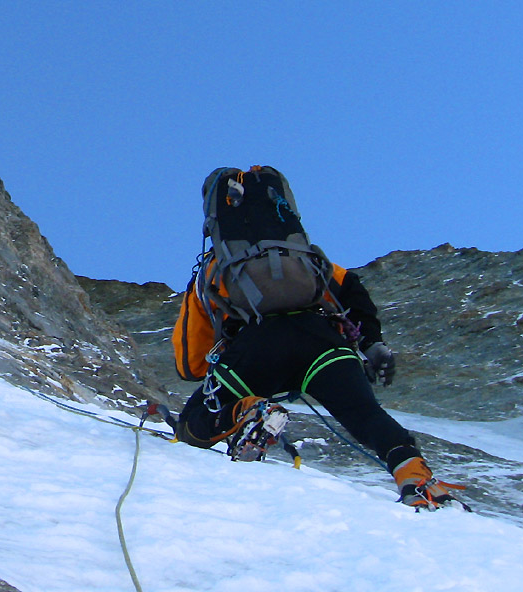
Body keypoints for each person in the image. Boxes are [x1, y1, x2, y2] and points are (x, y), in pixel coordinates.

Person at [171, 168, 464, 510]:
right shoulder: (305, 257)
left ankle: (252, 411)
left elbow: (190, 364)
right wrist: (372, 343)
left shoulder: (214, 270)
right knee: (365, 415)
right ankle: (415, 477)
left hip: (259, 346)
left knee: (194, 426)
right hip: (323, 341)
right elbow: (351, 289)